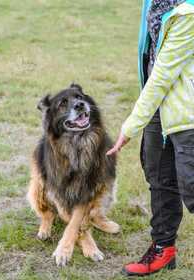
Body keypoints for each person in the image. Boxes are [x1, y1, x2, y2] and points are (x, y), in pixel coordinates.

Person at [107, 0, 194, 277]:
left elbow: (163, 73)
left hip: (187, 110)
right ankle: (163, 250)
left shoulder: (188, 12)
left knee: (191, 185)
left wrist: (131, 125)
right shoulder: (154, 3)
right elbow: (150, 57)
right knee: (159, 176)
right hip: (158, 105)